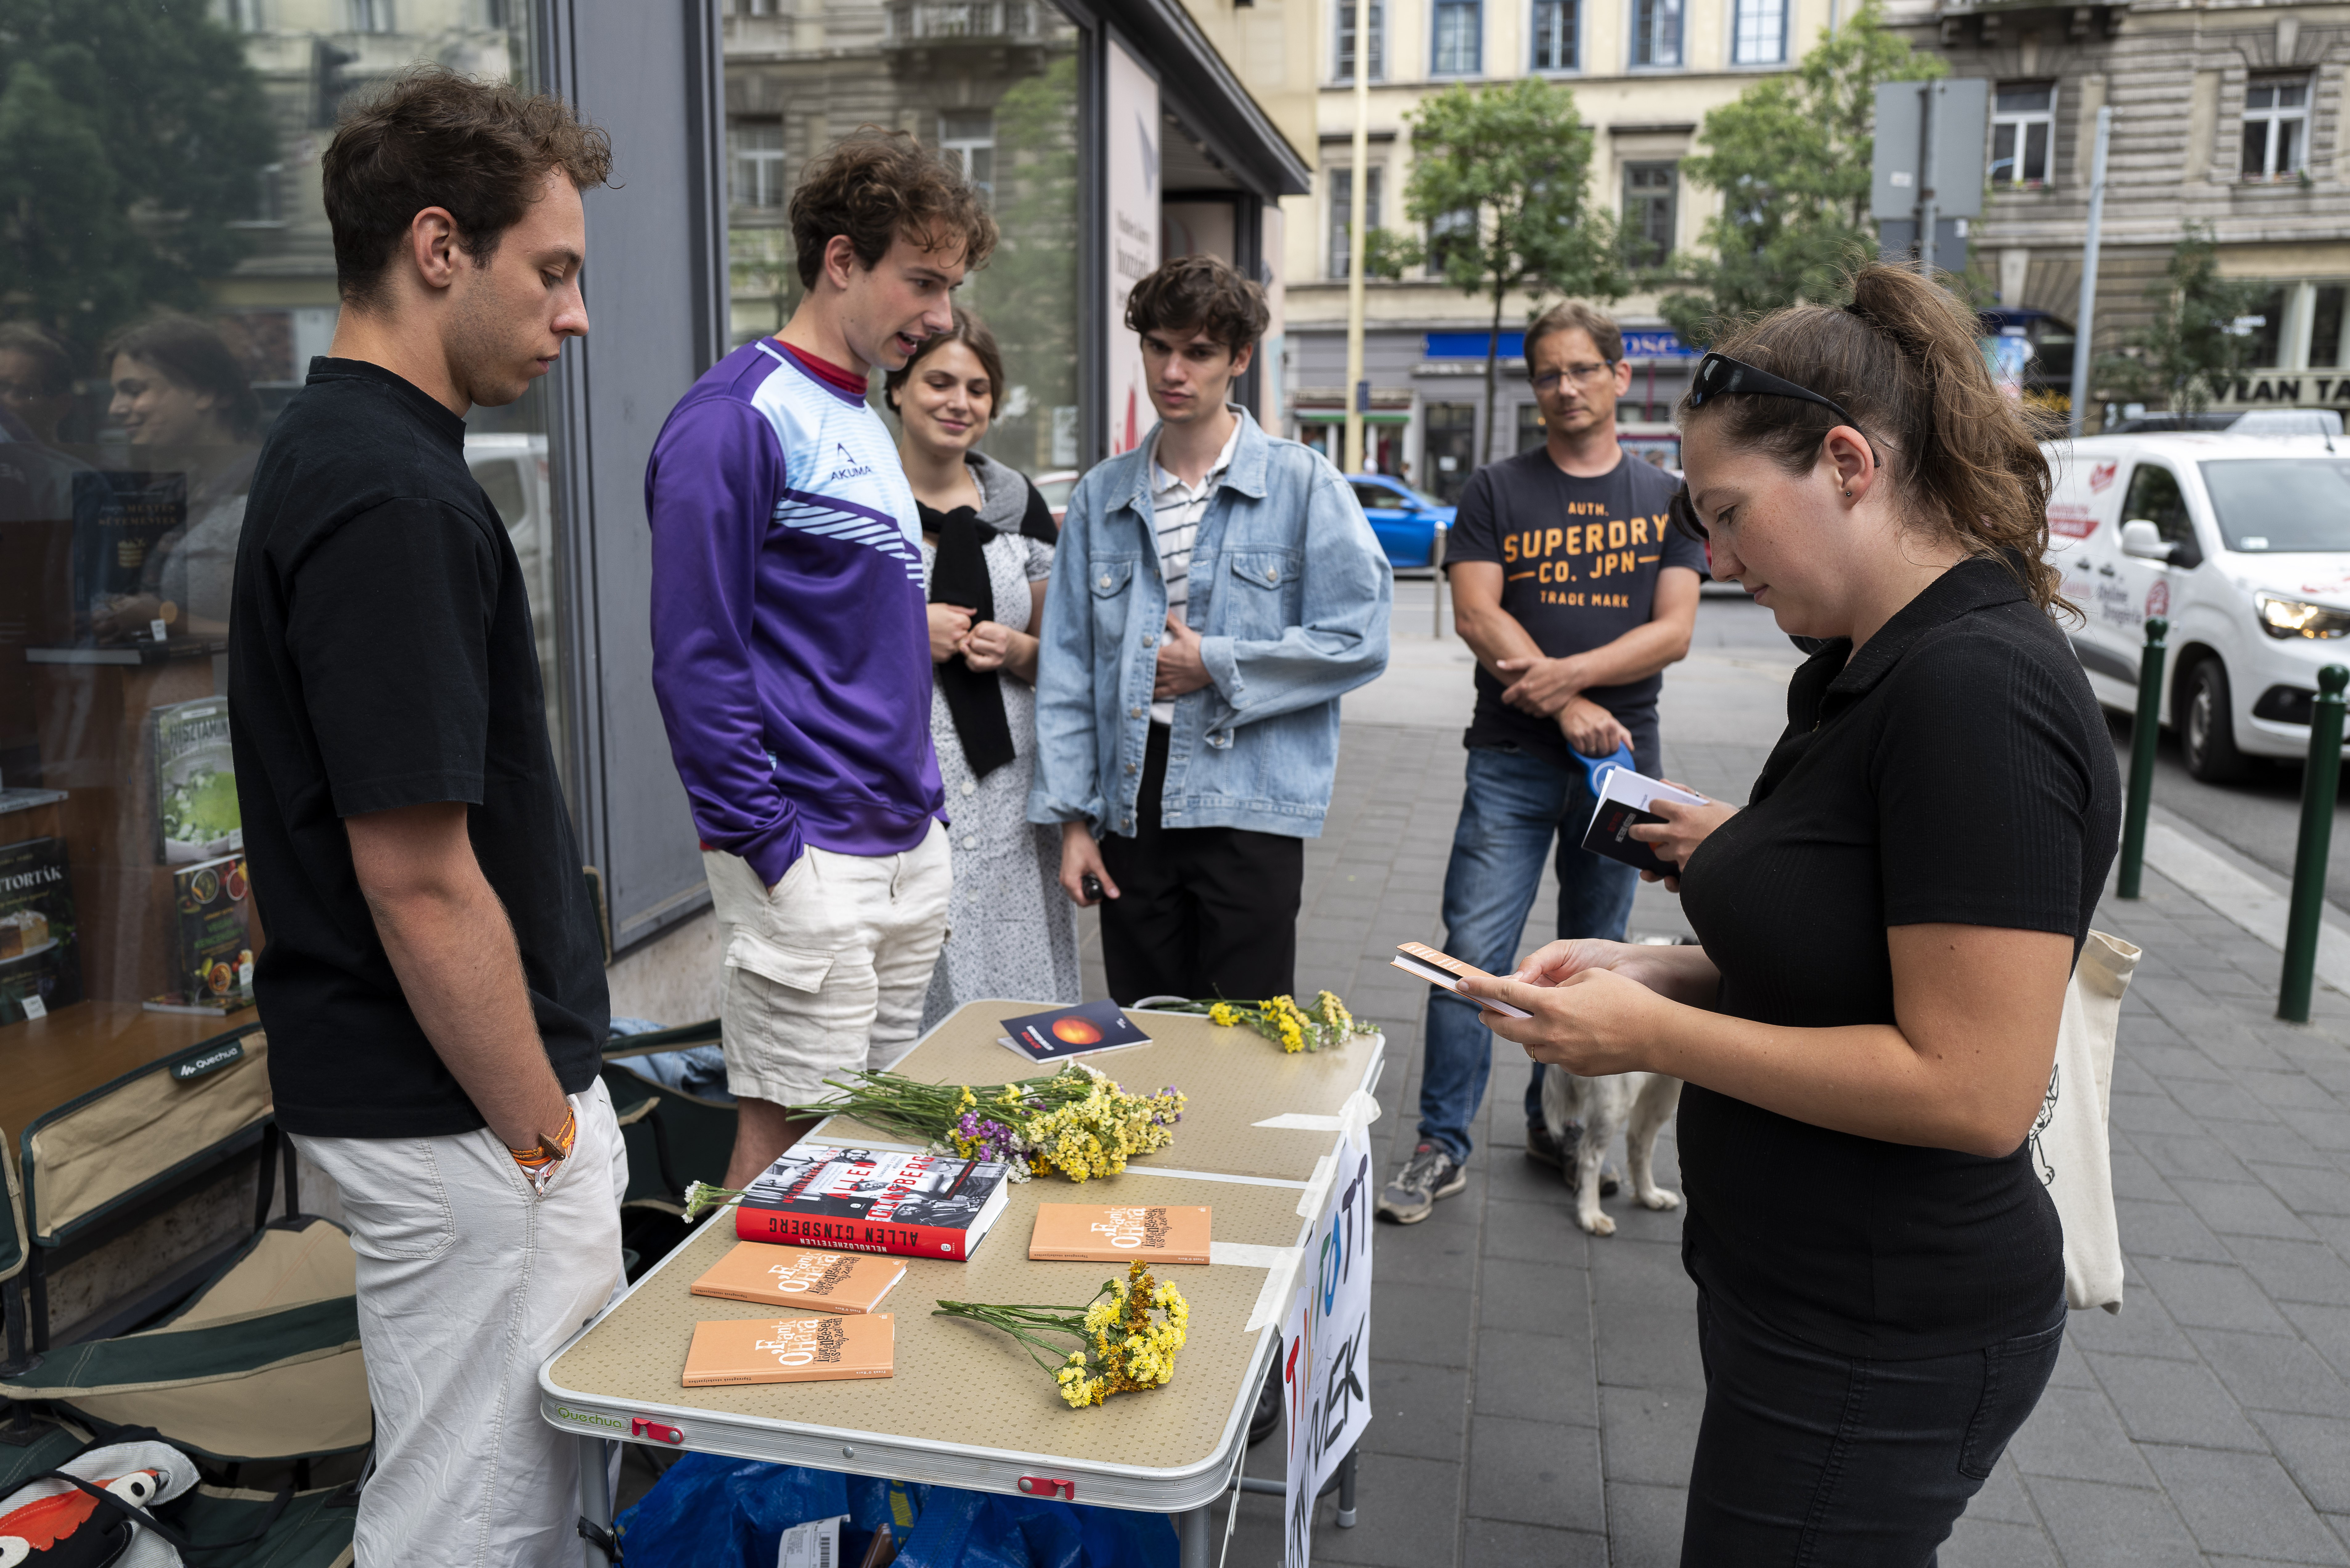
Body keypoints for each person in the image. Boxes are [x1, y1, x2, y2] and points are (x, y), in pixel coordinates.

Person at [1454, 263, 2119, 1562]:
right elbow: (1843, 959)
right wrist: (1651, 969)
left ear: (1846, 463)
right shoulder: (1862, 669)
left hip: (1882, 1327)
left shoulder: (1972, 687)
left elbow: (1972, 1087)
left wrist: (1648, 1038)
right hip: (1801, 1293)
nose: (1713, 557)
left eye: (1725, 513)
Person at [227, 69, 619, 1566]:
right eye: (556, 271)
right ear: (440, 247)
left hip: (421, 1100)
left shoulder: (340, 455)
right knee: (477, 1521)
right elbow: (417, 880)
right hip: (460, 1113)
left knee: (483, 1497)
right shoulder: (387, 492)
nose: (575, 316)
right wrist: (542, 1140)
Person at [646, 131, 996, 1190]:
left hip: (901, 842)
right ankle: (742, 1351)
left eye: (952, 285)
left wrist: (927, 813)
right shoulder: (735, 419)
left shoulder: (853, 412)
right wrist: (773, 854)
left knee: (873, 1143)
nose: (940, 315)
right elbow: (693, 662)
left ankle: (838, 1342)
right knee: (787, 1147)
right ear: (841, 261)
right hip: (810, 856)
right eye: (922, 281)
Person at [1377, 300, 1705, 1225]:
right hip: (1511, 762)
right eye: (1547, 374)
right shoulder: (1496, 489)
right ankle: (1441, 1142)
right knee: (1473, 955)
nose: (1563, 387)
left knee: (1589, 963)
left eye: (1581, 370)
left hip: (1621, 776)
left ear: (1618, 377)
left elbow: (1674, 630)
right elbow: (1479, 616)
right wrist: (1568, 704)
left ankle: (1554, 1127)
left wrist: (1569, 678)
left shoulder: (1663, 494)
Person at [1028, 254, 1390, 1005]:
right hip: (1131, 792)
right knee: (1145, 1018)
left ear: (1239, 359)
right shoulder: (1101, 496)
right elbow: (1067, 668)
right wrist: (1072, 822)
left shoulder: (1301, 483)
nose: (1173, 370)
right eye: (1158, 347)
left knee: (1248, 1026)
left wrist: (1215, 663)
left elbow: (1358, 638)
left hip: (1249, 792)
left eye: (1197, 352)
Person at [886, 307, 1081, 1028]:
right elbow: (812, 643)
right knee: (924, 981)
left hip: (1010, 788)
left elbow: (1062, 656)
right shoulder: (859, 504)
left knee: (1019, 977)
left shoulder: (1015, 501)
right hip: (907, 781)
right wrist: (908, 634)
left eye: (977, 388)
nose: (958, 402)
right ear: (898, 389)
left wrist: (1019, 649)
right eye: (938, 381)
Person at [98, 313, 266, 639]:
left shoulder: (267, 491)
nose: (116, 408)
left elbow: (291, 631)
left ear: (206, 392)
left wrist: (163, 619)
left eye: (134, 390)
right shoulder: (187, 490)